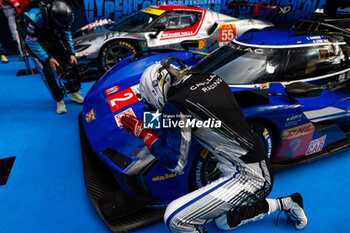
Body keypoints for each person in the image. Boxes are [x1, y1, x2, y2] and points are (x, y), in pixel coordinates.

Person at [121, 58, 308, 233]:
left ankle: (280, 202)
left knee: (175, 217)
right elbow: (185, 118)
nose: (154, 108)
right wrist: (151, 121)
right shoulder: (206, 77)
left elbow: (175, 161)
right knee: (224, 222)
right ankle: (288, 203)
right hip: (249, 164)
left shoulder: (176, 105)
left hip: (250, 176)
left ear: (155, 91)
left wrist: (145, 134)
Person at [18, 0, 83, 114]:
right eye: (62, 23)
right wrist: (47, 59)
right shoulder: (35, 17)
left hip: (50, 36)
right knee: (47, 71)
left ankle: (74, 93)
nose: (64, 24)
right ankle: (59, 100)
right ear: (53, 17)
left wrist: (71, 53)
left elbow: (66, 34)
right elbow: (32, 42)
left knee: (68, 63)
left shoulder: (64, 16)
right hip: (34, 42)